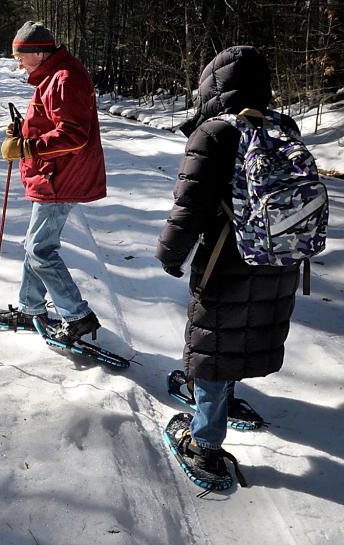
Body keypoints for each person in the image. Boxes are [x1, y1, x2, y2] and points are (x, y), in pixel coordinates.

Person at [156, 46, 301, 487]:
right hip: (279, 259)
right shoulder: (285, 127)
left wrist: (170, 254)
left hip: (226, 259)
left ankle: (206, 445)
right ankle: (222, 398)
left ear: (212, 87)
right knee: (243, 332)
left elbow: (189, 207)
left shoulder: (214, 133)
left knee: (212, 345)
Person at [0, 22, 107, 344]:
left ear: (38, 52)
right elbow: (52, 122)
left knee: (40, 249)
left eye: (20, 57)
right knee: (36, 246)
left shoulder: (64, 78)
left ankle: (78, 316)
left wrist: (27, 147)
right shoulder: (53, 76)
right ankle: (31, 308)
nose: (18, 63)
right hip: (52, 173)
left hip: (61, 175)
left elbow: (73, 134)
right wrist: (24, 131)